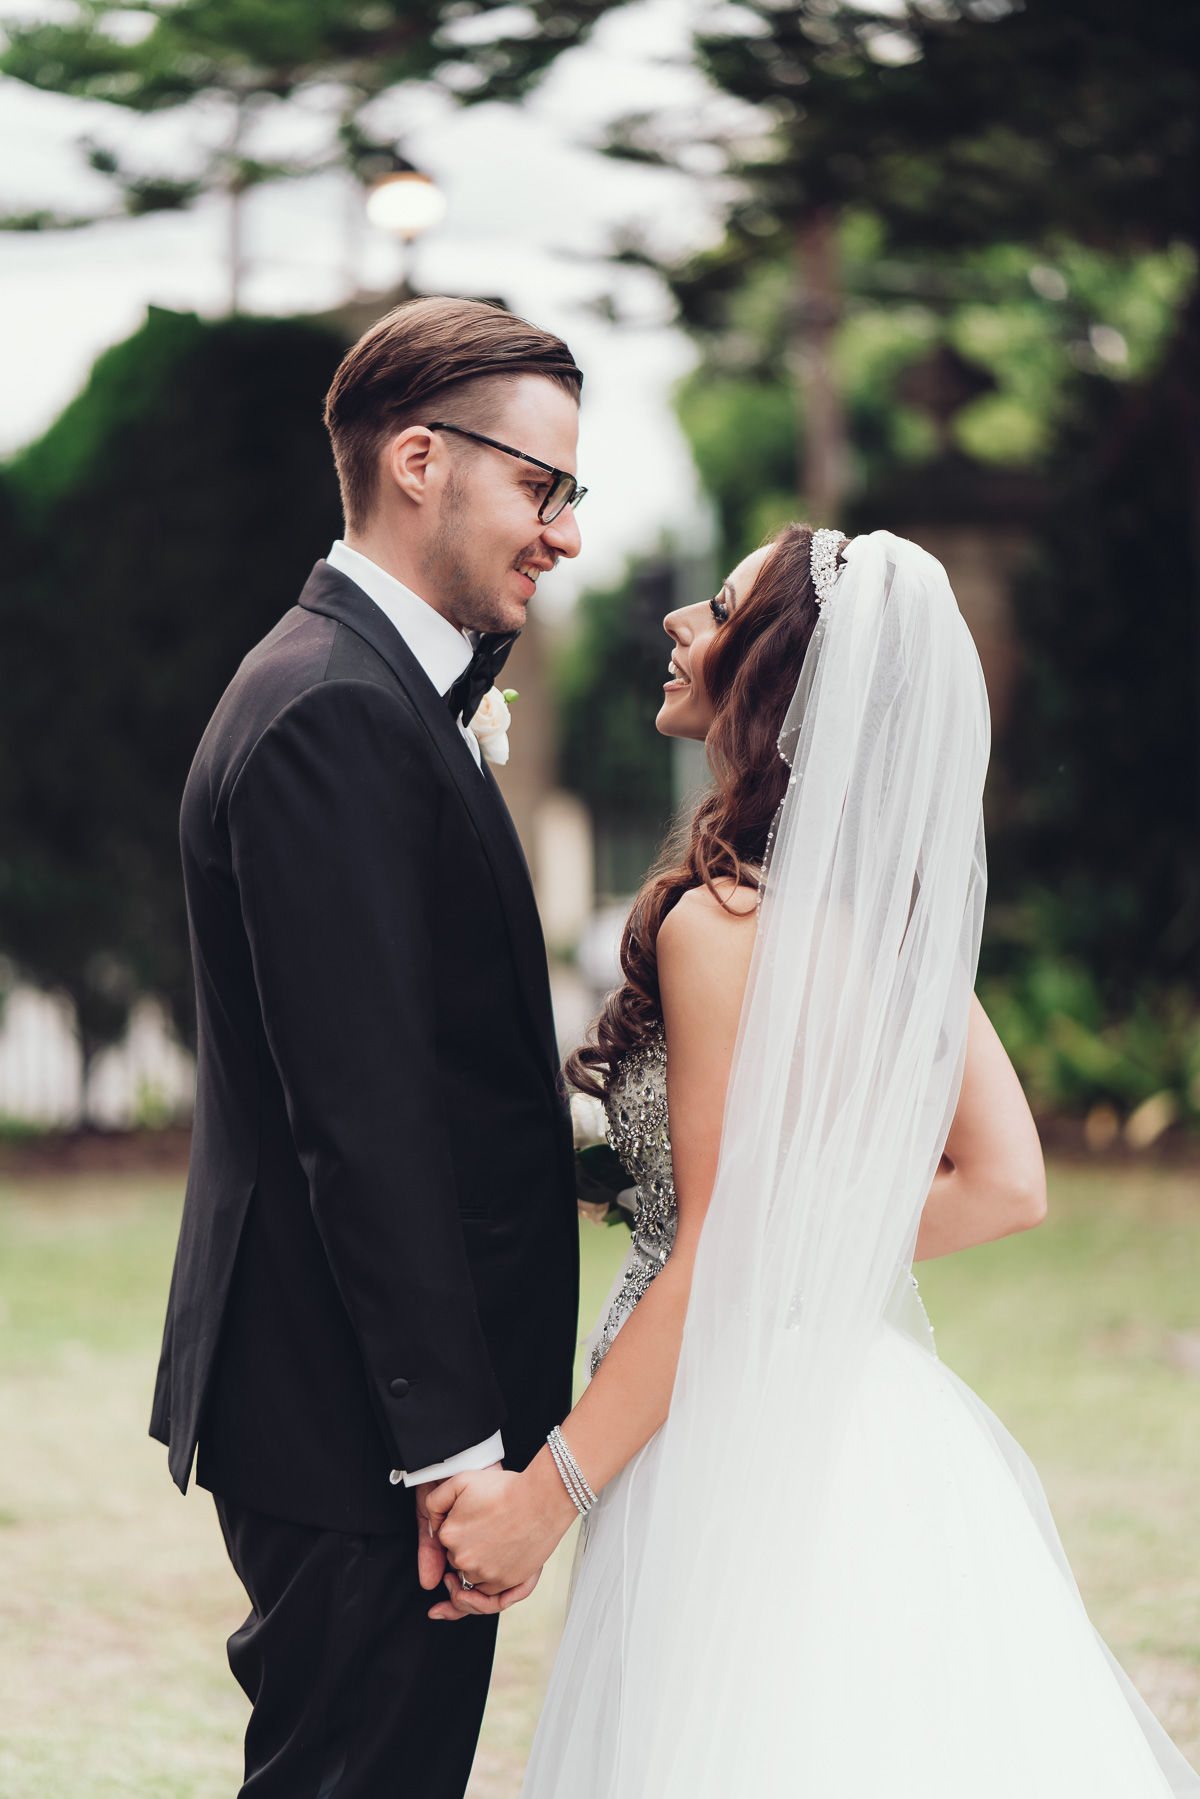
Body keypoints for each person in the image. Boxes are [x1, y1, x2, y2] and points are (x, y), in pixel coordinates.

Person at [427, 525, 1200, 1798]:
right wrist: (802, 1245)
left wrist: (547, 1495)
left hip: (726, 1435)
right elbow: (1005, 1180)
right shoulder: (890, 919)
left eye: (721, 606)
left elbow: (724, 1245)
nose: (678, 618)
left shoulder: (718, 921)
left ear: (776, 677)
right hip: (865, 1414)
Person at [150, 295, 585, 1798]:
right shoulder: (333, 709)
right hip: (358, 1430)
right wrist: (452, 1453)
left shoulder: (370, 686)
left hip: (358, 1414)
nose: (565, 532)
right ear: (418, 460)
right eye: (542, 484)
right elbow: (364, 1115)